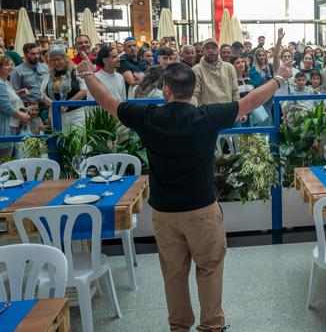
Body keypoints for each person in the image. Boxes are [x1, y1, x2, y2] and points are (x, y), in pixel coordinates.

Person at [76, 51, 293, 332]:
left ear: (166, 90)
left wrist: (86, 74)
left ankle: (179, 327)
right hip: (202, 209)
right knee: (210, 269)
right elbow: (250, 101)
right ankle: (212, 326)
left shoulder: (147, 116)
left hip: (165, 213)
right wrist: (279, 78)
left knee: (174, 275)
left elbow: (108, 101)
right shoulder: (207, 116)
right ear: (193, 90)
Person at [40, 44, 86, 130]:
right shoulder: (48, 74)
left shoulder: (75, 71)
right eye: (53, 60)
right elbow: (42, 95)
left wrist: (66, 104)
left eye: (58, 59)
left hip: (76, 115)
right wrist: (54, 105)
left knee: (77, 141)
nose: (56, 62)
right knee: (60, 141)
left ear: (65, 58)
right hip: (56, 115)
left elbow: (83, 90)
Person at [0, 55, 30, 157]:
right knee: (5, 158)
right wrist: (22, 116)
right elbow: (5, 107)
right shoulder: (1, 83)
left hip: (12, 124)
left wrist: (18, 93)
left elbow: (8, 99)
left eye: (12, 64)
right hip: (6, 126)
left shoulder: (6, 82)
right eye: (7, 65)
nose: (11, 67)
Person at [192, 39, 239, 106]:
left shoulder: (229, 68)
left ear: (218, 51)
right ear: (203, 52)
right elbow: (194, 94)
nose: (211, 50)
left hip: (228, 110)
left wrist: (237, 110)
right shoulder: (196, 70)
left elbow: (235, 92)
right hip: (206, 112)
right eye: (207, 48)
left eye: (213, 48)